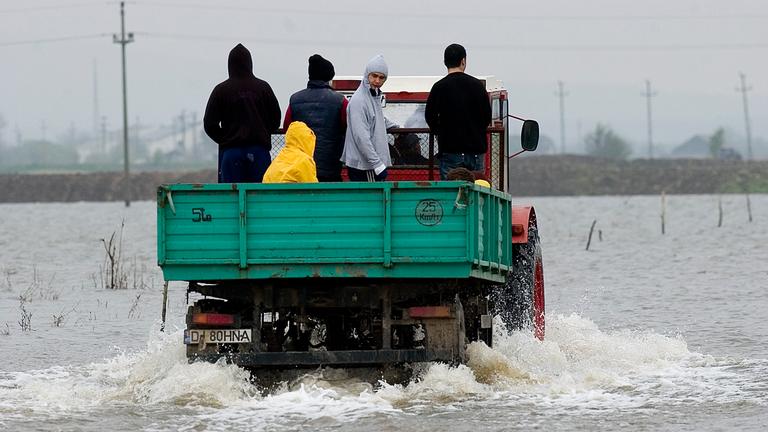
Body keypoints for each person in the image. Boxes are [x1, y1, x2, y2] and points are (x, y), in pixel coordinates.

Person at [203, 43, 281, 183]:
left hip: (231, 153)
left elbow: (209, 124)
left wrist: (226, 138)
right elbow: (275, 118)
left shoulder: (221, 90)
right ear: (250, 63)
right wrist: (262, 131)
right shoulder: (263, 88)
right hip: (259, 152)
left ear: (230, 65)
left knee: (231, 200)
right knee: (260, 199)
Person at [425, 43, 492, 180]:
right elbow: (486, 117)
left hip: (450, 151)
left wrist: (441, 131)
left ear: (445, 62)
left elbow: (430, 117)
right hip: (476, 152)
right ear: (463, 61)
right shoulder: (477, 86)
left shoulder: (439, 87)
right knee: (477, 193)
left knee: (451, 194)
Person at [283, 54, 348, 182]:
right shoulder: (340, 101)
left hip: (301, 166)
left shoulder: (295, 99)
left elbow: (287, 128)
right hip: (331, 165)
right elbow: (349, 127)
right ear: (329, 77)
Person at [341, 54, 398, 182]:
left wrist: (396, 127)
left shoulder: (373, 96)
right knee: (372, 201)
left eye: (382, 77)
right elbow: (361, 137)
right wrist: (377, 164)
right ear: (367, 74)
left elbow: (377, 119)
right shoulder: (360, 101)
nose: (377, 81)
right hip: (365, 166)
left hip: (367, 164)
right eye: (374, 76)